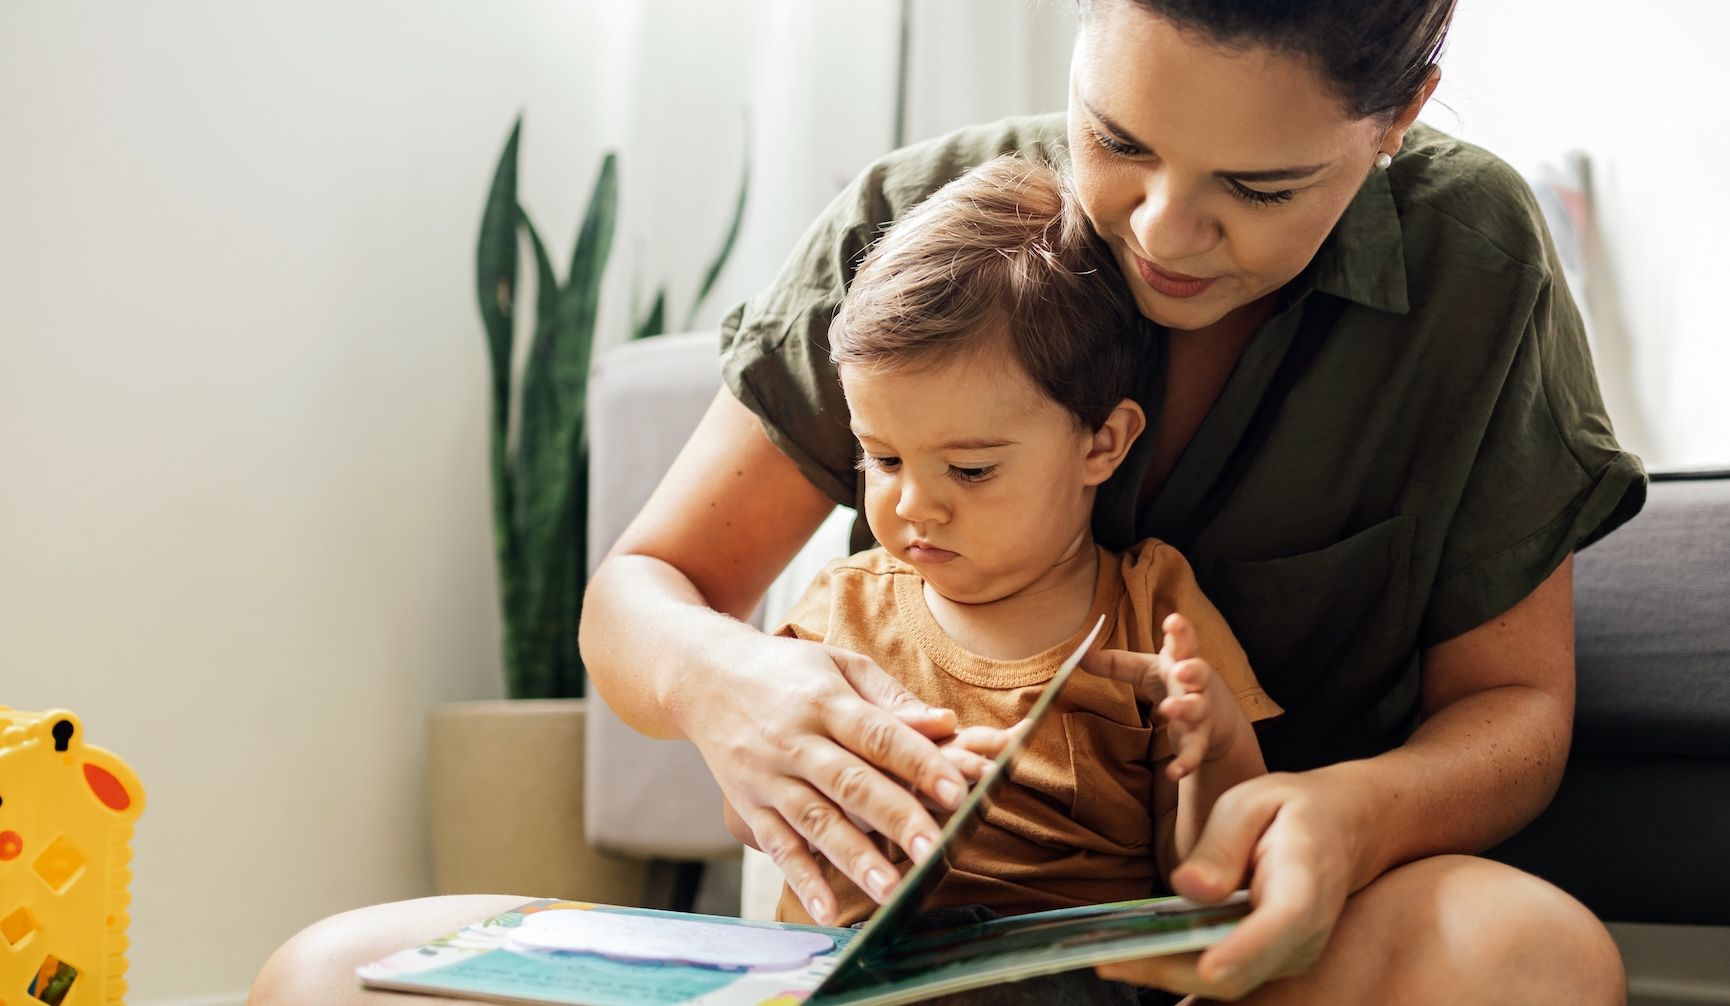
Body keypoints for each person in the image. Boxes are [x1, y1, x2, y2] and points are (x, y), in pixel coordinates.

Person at [254, 1, 1647, 1002]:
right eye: (1116, 140)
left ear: (1399, 118)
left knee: (1528, 957)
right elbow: (640, 593)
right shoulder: (924, 227)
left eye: (1260, 186)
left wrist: (1348, 816)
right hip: (870, 959)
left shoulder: (1471, 259)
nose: (1162, 230)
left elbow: (1515, 709)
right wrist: (726, 686)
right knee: (325, 973)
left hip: (1231, 963)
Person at [761, 154, 1280, 932]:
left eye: (970, 469)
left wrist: (1217, 749)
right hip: (836, 968)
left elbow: (1203, 876)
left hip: (1069, 972)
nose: (912, 505)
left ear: (1102, 445)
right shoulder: (843, 609)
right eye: (884, 459)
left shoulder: (1151, 612)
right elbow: (749, 812)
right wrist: (873, 778)